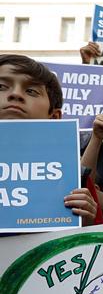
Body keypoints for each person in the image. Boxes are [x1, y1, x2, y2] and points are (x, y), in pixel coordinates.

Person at [0, 54, 98, 226]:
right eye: (1, 86)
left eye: (31, 91)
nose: (15, 94)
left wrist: (86, 223)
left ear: (54, 117)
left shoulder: (74, 177)